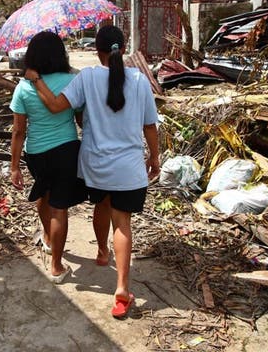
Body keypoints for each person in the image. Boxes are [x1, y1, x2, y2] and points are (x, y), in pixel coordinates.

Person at [25, 25, 161, 318]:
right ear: (122, 49)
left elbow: (55, 106)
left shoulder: (86, 77)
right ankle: (122, 287)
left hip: (96, 166)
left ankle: (102, 253)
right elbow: (150, 126)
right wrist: (155, 159)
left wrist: (36, 80)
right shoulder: (139, 80)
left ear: (96, 51)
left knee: (102, 204)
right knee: (122, 222)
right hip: (129, 168)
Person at [9, 31, 86, 284]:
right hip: (66, 150)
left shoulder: (23, 86)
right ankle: (56, 265)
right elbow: (80, 118)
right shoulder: (73, 81)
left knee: (43, 193)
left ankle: (49, 240)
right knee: (59, 207)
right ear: (59, 54)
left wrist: (14, 167)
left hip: (36, 153)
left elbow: (19, 131)